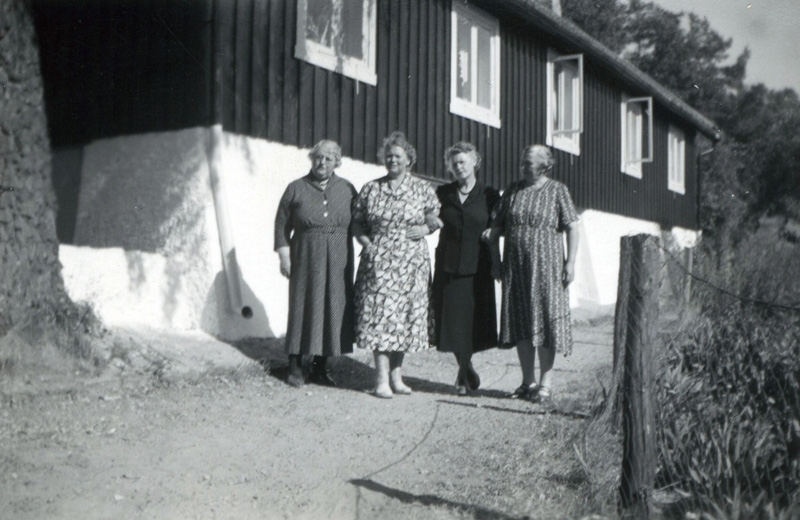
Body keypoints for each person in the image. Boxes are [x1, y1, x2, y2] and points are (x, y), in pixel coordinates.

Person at [482, 145, 579, 405]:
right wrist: (496, 262)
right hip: (517, 267)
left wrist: (570, 263)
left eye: (529, 163)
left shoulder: (558, 190)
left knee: (546, 321)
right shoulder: (513, 190)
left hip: (548, 268)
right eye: (523, 162)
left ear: (545, 165)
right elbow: (495, 227)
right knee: (521, 322)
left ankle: (546, 383)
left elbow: (572, 228)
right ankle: (528, 381)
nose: (523, 167)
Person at [352, 131, 442, 399]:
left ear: (409, 160)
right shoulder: (371, 188)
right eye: (388, 156)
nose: (392, 160)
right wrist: (366, 243)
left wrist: (426, 228)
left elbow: (435, 217)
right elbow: (357, 220)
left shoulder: (422, 188)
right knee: (380, 316)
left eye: (398, 156)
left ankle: (396, 377)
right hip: (378, 262)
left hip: (411, 262)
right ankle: (380, 379)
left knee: (403, 317)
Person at [274, 140, 357, 387]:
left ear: (336, 162)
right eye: (317, 158)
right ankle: (295, 366)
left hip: (339, 257)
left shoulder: (348, 189)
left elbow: (362, 220)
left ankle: (320, 367)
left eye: (328, 159)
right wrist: (284, 256)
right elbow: (281, 226)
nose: (321, 163)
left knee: (332, 307)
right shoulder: (296, 188)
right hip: (305, 256)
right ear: (312, 159)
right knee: (302, 306)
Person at [431, 142, 500, 396]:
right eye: (455, 163)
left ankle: (463, 374)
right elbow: (429, 215)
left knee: (472, 321)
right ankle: (466, 368)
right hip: (448, 264)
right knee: (453, 321)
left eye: (463, 162)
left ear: (475, 163)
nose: (459, 167)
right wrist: (429, 219)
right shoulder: (443, 193)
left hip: (479, 265)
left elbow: (497, 227)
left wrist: (497, 259)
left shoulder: (490, 194)